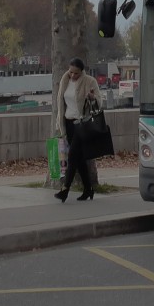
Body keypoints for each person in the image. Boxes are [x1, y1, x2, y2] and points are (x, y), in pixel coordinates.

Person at [54, 57, 101, 202]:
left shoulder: (89, 81)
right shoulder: (65, 80)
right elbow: (61, 103)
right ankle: (88, 189)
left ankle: (65, 189)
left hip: (81, 123)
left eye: (76, 73)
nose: (73, 75)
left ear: (82, 72)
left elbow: (99, 103)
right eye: (71, 72)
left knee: (72, 155)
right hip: (68, 123)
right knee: (79, 159)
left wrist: (92, 98)